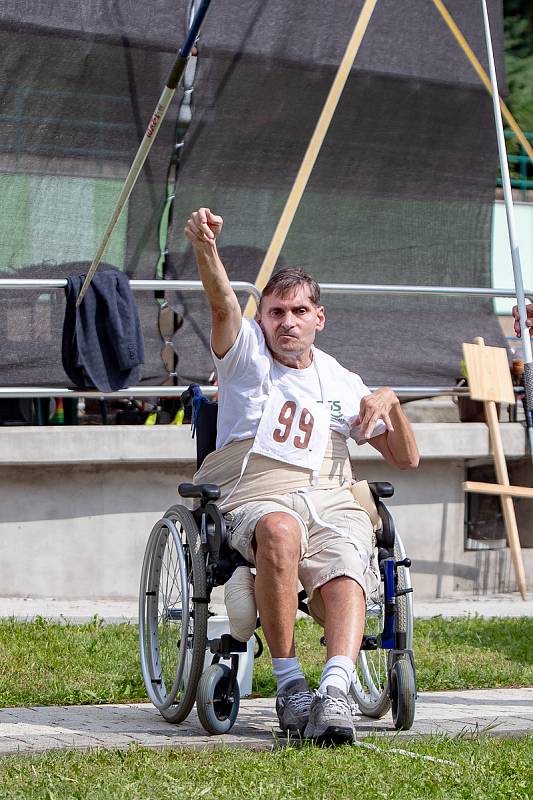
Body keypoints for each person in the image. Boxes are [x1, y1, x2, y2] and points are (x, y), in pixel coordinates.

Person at [184, 207, 420, 743]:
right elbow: (221, 303)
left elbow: (406, 459)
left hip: (332, 497)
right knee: (281, 530)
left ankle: (334, 689)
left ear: (319, 317)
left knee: (345, 555)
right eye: (274, 312)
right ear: (261, 318)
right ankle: (290, 683)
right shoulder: (244, 356)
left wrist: (392, 404)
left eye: (297, 311)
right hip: (258, 494)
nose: (285, 321)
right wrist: (206, 248)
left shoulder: (341, 378)